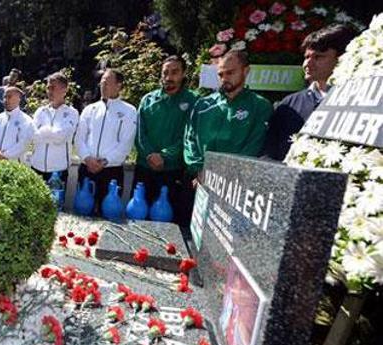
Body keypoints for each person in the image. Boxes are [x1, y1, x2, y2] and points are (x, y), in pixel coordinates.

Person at [263, 25, 356, 160]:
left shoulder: (358, 102)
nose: (308, 63)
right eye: (306, 57)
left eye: (318, 57)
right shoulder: (289, 104)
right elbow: (269, 153)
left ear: (342, 59)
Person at [184, 50, 273, 180]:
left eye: (230, 73)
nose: (224, 79)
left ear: (246, 71)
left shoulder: (260, 106)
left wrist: (225, 175)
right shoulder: (202, 105)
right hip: (201, 180)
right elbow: (189, 139)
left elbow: (255, 145)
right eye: (220, 74)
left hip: (235, 184)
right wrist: (199, 169)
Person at [135, 55, 198, 225]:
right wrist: (150, 155)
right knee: (138, 218)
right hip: (144, 168)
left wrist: (164, 156)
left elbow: (190, 135)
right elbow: (140, 133)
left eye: (175, 72)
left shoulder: (193, 101)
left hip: (173, 170)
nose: (169, 77)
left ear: (184, 73)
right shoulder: (148, 100)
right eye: (165, 73)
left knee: (168, 224)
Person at [76, 68, 137, 214]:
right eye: (102, 81)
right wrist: (87, 158)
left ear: (119, 85)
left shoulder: (129, 111)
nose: (103, 85)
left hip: (112, 171)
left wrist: (105, 161)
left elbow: (126, 143)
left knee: (108, 215)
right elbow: (79, 138)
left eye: (107, 81)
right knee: (83, 215)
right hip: (86, 168)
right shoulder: (90, 109)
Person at [29, 72, 79, 184]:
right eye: (48, 87)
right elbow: (32, 136)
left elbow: (61, 137)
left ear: (64, 90)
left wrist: (43, 131)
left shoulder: (72, 113)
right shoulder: (40, 111)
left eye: (53, 87)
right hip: (36, 167)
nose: (49, 91)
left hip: (58, 170)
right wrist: (50, 133)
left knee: (55, 202)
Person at [0, 86, 35, 161]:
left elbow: (27, 143)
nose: (6, 100)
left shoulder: (27, 121)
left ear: (18, 99)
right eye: (4, 97)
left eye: (9, 97)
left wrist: (6, 155)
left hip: (16, 165)